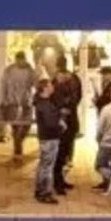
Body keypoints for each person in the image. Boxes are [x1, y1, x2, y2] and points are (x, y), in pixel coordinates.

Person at [51, 60, 82, 193]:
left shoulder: (70, 79)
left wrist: (68, 106)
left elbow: (77, 97)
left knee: (64, 153)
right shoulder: (56, 81)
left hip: (69, 119)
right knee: (60, 153)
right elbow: (53, 100)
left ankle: (60, 180)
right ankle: (57, 182)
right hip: (63, 121)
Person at [32, 79, 64, 204]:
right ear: (45, 88)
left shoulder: (42, 102)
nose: (53, 87)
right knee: (47, 167)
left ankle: (39, 190)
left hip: (46, 137)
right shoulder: (44, 104)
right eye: (50, 85)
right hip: (50, 138)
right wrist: (61, 125)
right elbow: (50, 123)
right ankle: (44, 193)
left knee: (43, 165)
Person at [0, 51, 36, 154]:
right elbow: (3, 85)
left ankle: (18, 143)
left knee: (27, 125)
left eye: (22, 60)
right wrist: (3, 99)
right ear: (16, 60)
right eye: (19, 61)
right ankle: (17, 149)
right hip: (12, 102)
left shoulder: (30, 70)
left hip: (26, 102)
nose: (21, 63)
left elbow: (35, 84)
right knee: (15, 126)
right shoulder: (8, 70)